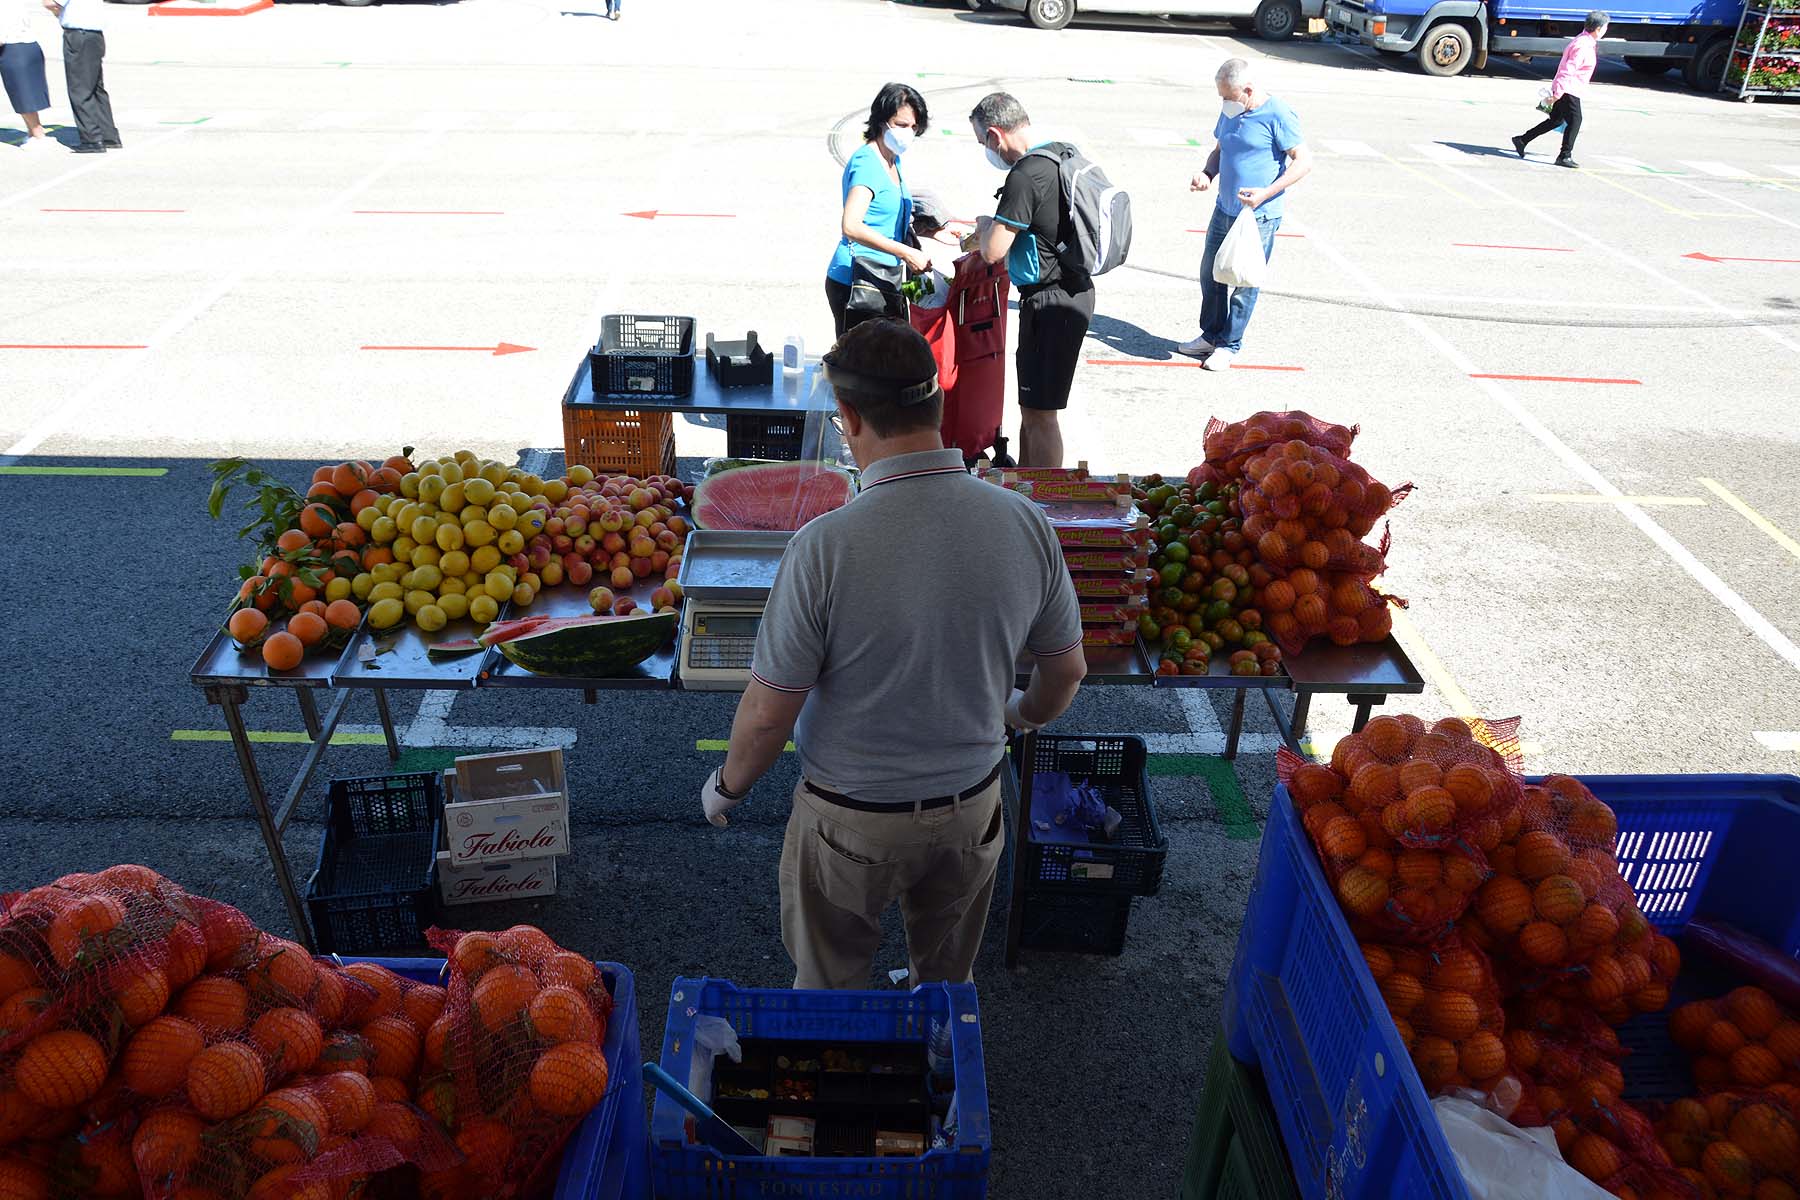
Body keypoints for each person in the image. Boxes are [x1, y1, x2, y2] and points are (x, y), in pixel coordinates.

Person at [700, 318, 1086, 991]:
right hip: (971, 807)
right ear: (934, 405)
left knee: (829, 992)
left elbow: (768, 716)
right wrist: (1017, 715)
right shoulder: (1023, 522)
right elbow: (1066, 672)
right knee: (944, 986)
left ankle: (841, 1085)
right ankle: (934, 1080)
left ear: (849, 417)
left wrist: (727, 787)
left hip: (851, 823)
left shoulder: (823, 547)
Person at [971, 91, 1091, 470]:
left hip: (1052, 302)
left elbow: (993, 250)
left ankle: (1042, 505)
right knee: (1032, 406)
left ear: (995, 135)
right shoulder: (1059, 153)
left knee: (1042, 415)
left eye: (982, 143)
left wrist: (984, 226)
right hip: (1068, 293)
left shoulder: (1024, 174)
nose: (986, 151)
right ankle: (1026, 489)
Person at [1180, 59, 1310, 371]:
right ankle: (1210, 335)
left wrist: (1266, 193)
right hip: (1224, 209)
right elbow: (1220, 150)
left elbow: (1303, 162)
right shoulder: (1230, 111)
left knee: (1244, 280)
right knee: (1210, 273)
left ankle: (1229, 344)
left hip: (1258, 216)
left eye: (1228, 96)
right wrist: (1207, 174)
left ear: (1248, 91)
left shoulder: (1278, 114)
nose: (1223, 102)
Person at [825, 83, 932, 338]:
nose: (909, 132)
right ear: (882, 121)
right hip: (858, 279)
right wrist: (906, 252)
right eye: (902, 125)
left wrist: (935, 230)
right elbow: (851, 225)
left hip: (883, 277)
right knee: (861, 369)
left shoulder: (892, 159)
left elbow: (884, 217)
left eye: (914, 127)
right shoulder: (867, 163)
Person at [1513, 11, 1608, 169]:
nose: (1605, 30)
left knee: (1556, 120)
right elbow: (1567, 70)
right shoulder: (1583, 45)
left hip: (1568, 88)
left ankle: (1522, 140)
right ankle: (1565, 155)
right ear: (1598, 29)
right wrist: (1557, 93)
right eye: (1605, 27)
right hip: (1569, 90)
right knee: (1575, 121)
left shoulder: (1584, 41)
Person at [42, 0, 114, 154]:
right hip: (95, 34)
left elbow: (50, 3)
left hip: (78, 34)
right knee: (95, 87)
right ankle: (108, 135)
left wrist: (57, 12)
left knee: (80, 88)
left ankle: (92, 139)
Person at [2, 0, 52, 148]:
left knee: (23, 96)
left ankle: (38, 135)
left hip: (14, 48)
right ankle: (33, 133)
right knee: (23, 95)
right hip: (24, 45)